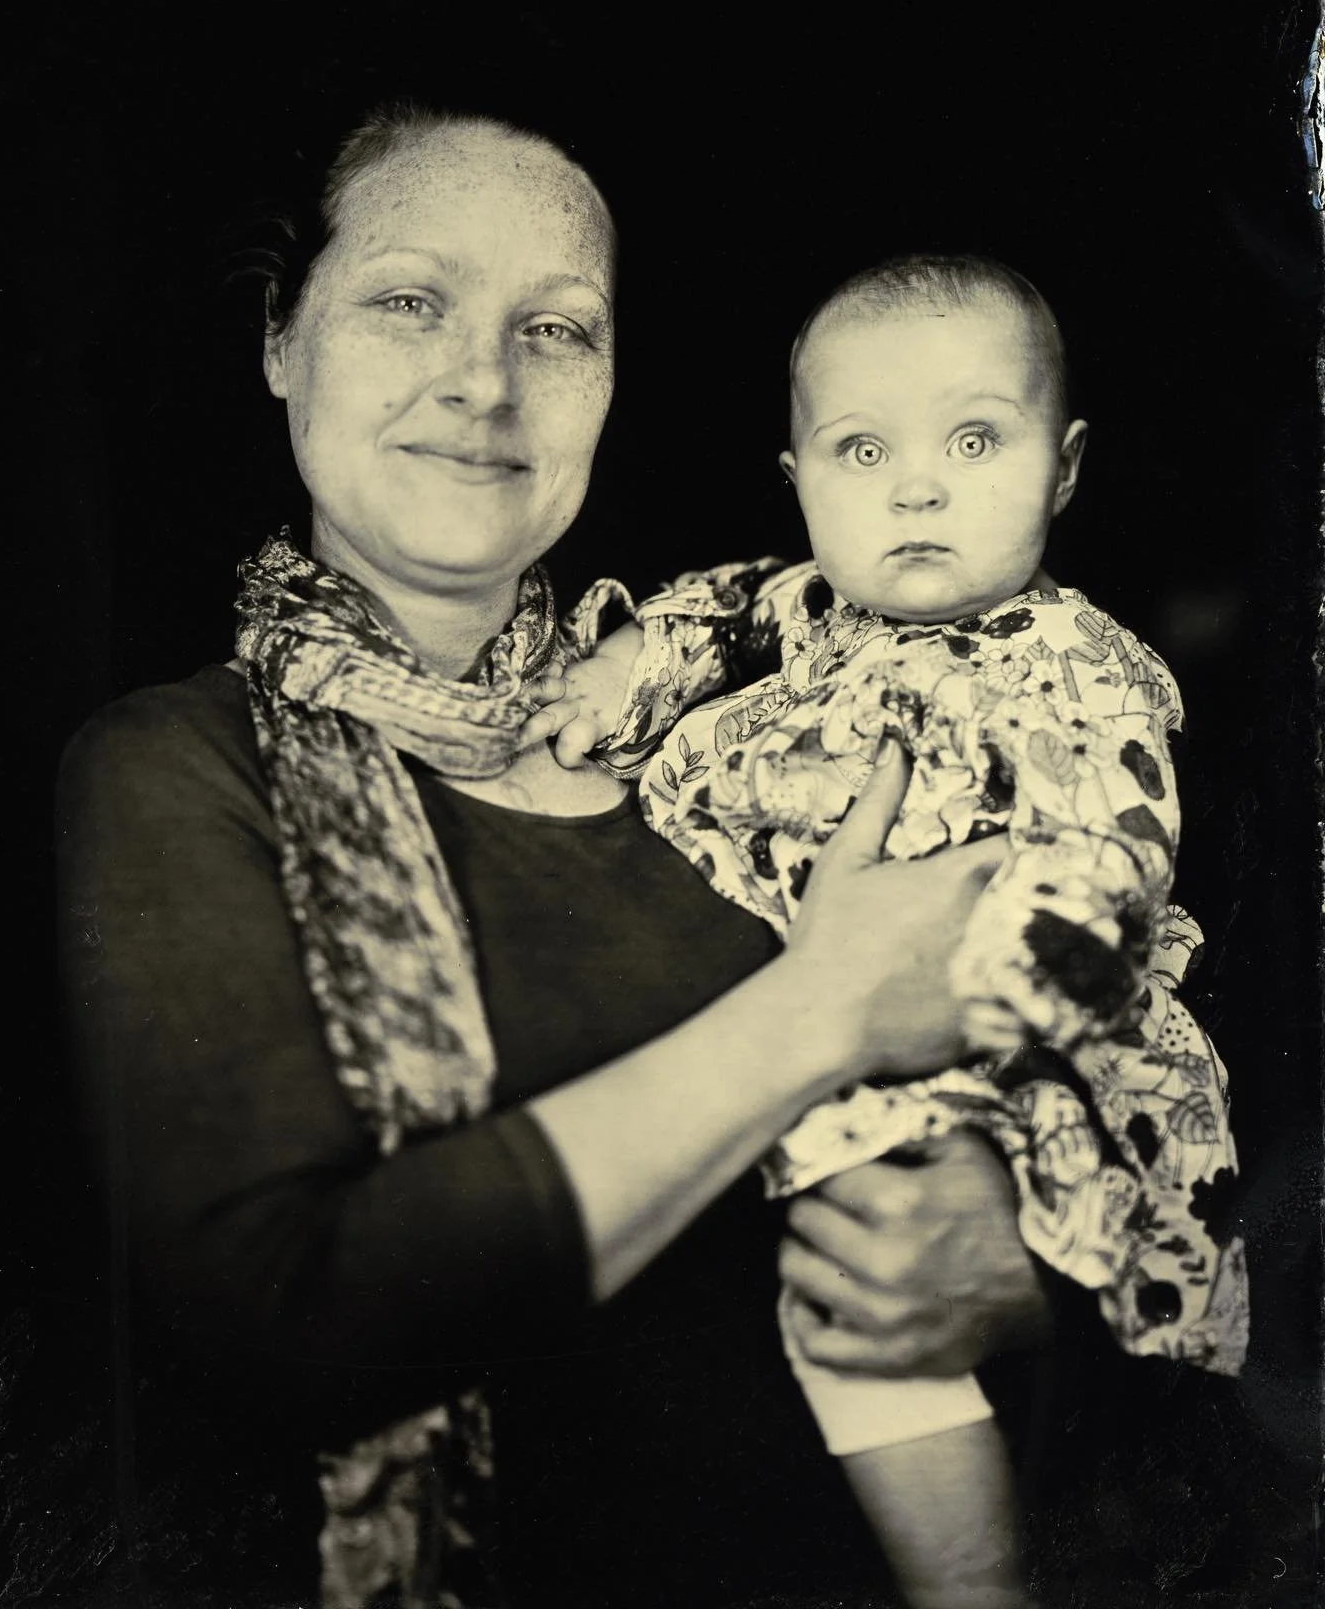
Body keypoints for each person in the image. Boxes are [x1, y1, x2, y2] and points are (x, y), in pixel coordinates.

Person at [56, 110, 1113, 1609]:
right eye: (409, 300)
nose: (482, 384)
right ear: (281, 339)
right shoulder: (174, 766)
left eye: (556, 330)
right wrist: (818, 1008)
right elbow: (283, 1313)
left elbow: (1004, 1097)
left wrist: (1021, 1268)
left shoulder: (764, 730)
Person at [529, 254, 1247, 1608]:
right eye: (863, 449)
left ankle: (974, 1585)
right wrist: (639, 661)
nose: (917, 488)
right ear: (800, 476)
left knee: (860, 1310)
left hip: (986, 1032)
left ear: (1065, 467)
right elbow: (727, 607)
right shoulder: (811, 607)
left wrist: (962, 1012)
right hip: (811, 1010)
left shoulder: (1075, 672)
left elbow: (1108, 878)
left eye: (976, 439)